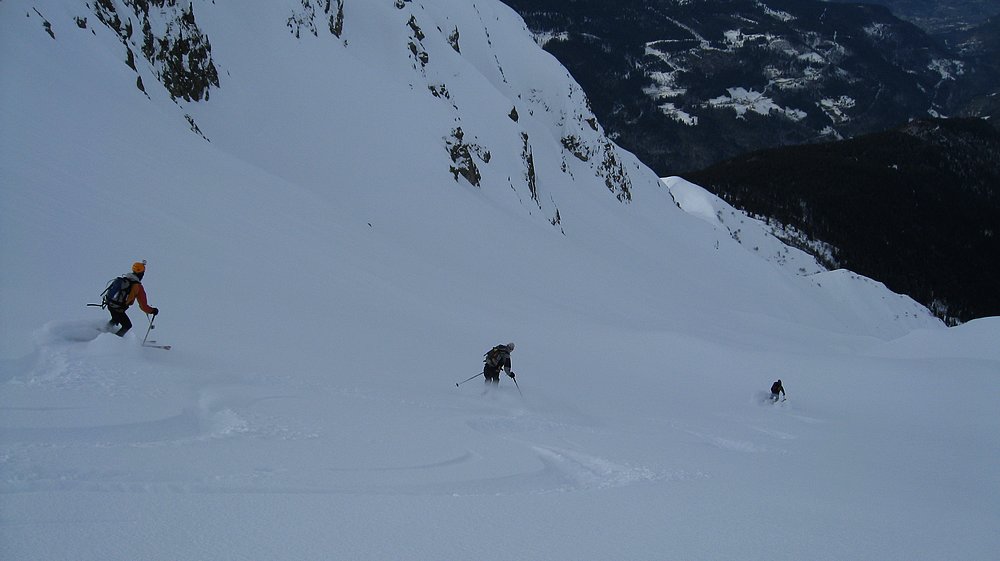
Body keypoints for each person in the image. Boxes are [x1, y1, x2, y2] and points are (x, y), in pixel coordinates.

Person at [107, 261, 158, 336]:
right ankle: (115, 340)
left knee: (115, 319)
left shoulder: (124, 279)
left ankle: (104, 331)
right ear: (141, 274)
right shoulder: (137, 286)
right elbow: (143, 306)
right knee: (127, 325)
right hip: (118, 308)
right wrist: (153, 311)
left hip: (110, 304)